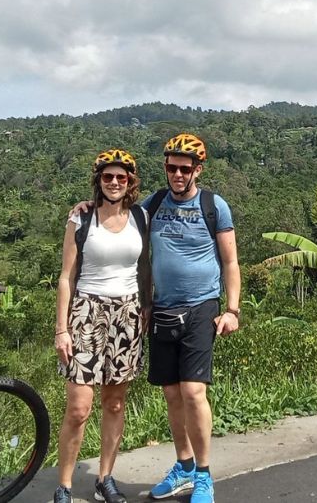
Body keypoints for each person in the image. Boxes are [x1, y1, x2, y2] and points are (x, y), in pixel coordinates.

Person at [145, 133, 240, 503]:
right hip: (163, 307)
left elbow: (230, 261)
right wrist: (89, 205)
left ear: (198, 169)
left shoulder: (214, 206)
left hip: (202, 306)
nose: (178, 174)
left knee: (192, 391)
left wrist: (232, 309)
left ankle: (203, 474)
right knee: (171, 393)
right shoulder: (152, 204)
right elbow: (117, 214)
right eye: (171, 167)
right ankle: (183, 466)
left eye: (185, 168)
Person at [54, 149, 149, 503]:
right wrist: (61, 329)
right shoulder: (81, 219)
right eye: (107, 177)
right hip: (86, 312)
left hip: (128, 313)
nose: (114, 183)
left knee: (115, 404)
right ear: (98, 181)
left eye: (121, 178)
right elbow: (66, 277)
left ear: (130, 183)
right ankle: (64, 484)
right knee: (79, 408)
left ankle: (104, 478)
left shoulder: (141, 216)